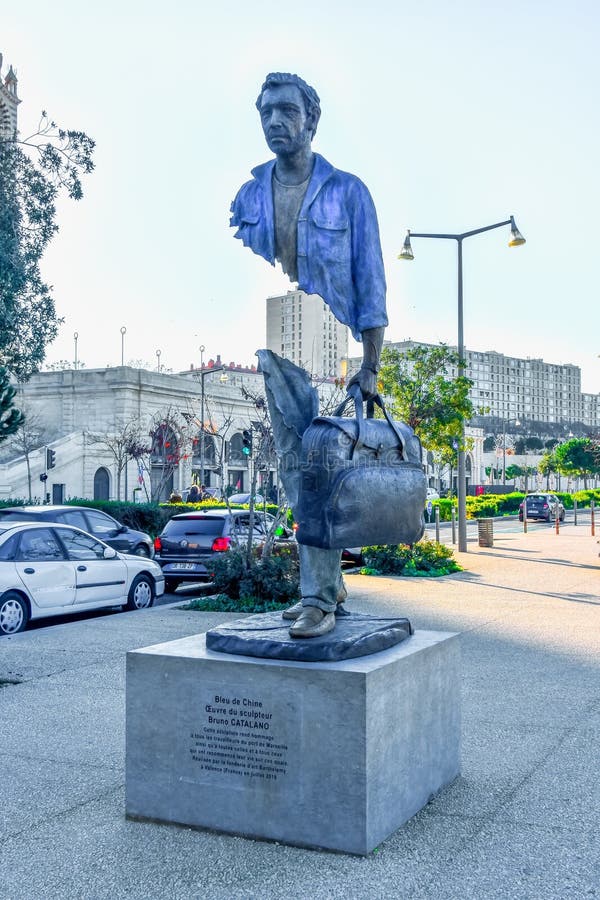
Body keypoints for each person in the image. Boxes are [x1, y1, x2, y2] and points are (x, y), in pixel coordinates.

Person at [231, 73, 388, 639]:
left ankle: (320, 595)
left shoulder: (348, 191)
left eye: (287, 111)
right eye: (266, 112)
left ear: (311, 121)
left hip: (338, 344)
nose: (276, 121)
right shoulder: (250, 195)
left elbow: (371, 280)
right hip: (282, 343)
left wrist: (370, 363)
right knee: (300, 473)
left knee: (320, 472)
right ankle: (325, 589)